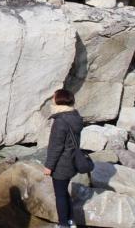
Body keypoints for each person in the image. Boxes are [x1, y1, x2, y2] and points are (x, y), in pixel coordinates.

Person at [44, 89, 83, 228]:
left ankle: (63, 224)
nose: (52, 100)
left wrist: (49, 166)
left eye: (53, 97)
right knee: (65, 192)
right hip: (72, 162)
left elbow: (56, 147)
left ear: (59, 100)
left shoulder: (60, 121)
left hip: (61, 164)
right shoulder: (75, 116)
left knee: (60, 195)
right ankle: (71, 221)